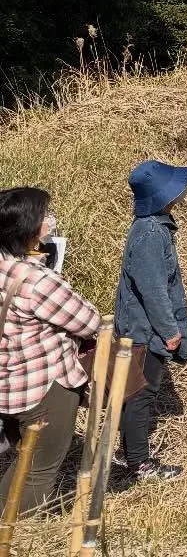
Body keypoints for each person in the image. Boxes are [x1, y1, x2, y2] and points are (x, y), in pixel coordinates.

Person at [0, 187, 103, 510]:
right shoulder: (37, 281)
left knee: (23, 459)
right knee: (37, 469)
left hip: (9, 384)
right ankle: (18, 536)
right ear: (28, 227)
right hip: (44, 386)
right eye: (45, 216)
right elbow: (88, 321)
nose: (50, 221)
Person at [115, 160, 187, 481]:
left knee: (135, 392)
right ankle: (139, 463)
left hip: (142, 327)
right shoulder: (150, 233)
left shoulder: (153, 227)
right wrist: (170, 331)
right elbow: (153, 289)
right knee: (141, 394)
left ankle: (129, 453)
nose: (182, 193)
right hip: (144, 330)